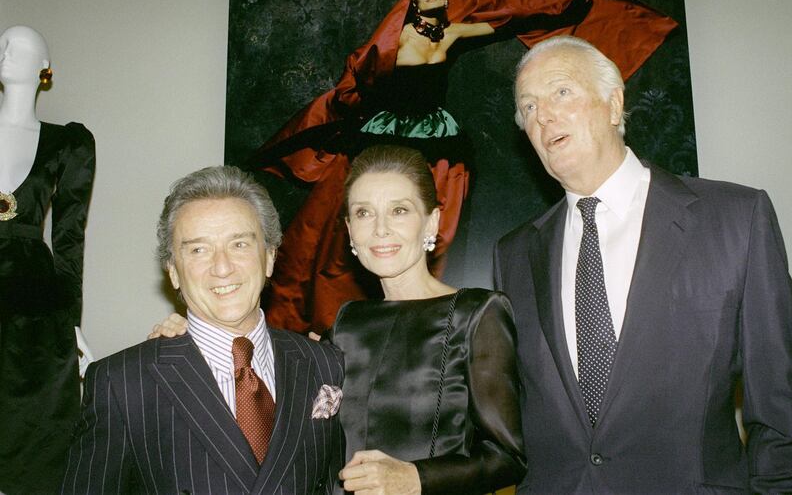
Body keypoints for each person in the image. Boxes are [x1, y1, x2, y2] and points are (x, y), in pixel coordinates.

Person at [250, 0, 679, 334]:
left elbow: (504, 21)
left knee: (437, 212)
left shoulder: (452, 31)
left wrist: (563, 7)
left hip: (434, 135)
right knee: (346, 220)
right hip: (387, 130)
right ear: (413, 1)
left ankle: (424, 319)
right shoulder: (396, 37)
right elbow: (367, 68)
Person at [496, 35, 792, 492]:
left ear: (615, 105)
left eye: (561, 92)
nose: (544, 116)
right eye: (529, 107)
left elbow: (782, 410)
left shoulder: (736, 218)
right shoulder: (514, 254)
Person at [153, 146, 526, 494]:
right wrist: (198, 338)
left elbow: (508, 457)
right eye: (364, 212)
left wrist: (415, 478)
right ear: (350, 231)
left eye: (399, 210)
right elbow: (273, 379)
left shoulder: (478, 312)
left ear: (431, 223)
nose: (380, 229)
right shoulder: (348, 322)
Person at [62, 166, 344, 494]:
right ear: (173, 273)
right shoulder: (122, 384)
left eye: (239, 244)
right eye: (199, 250)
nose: (222, 267)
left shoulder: (324, 364)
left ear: (269, 258)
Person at [0, 25, 95, 495]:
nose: (5, 52)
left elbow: (69, 239)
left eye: (19, 48)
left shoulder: (67, 144)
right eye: (3, 44)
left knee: (29, 427)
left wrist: (72, 322)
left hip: (32, 305)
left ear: (45, 68)